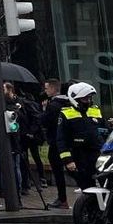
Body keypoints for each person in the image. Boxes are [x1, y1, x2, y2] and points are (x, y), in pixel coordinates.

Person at [55, 82, 106, 191]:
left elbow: (104, 130)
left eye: (90, 98)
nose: (88, 101)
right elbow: (61, 139)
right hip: (79, 155)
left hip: (97, 154)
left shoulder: (95, 110)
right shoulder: (66, 113)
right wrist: (68, 160)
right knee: (87, 187)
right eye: (85, 99)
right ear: (75, 99)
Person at [41, 79, 71, 208]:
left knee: (57, 170)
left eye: (47, 88)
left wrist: (43, 109)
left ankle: (62, 198)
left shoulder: (52, 105)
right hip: (67, 140)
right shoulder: (69, 103)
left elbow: (45, 121)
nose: (45, 90)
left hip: (55, 141)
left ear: (54, 89)